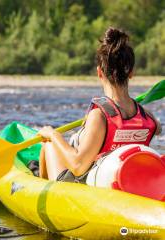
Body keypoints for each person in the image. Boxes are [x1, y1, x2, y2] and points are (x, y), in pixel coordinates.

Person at [38, 27, 161, 183]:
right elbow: (158, 128)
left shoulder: (100, 115)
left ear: (99, 72)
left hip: (84, 184)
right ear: (131, 73)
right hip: (122, 180)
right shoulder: (146, 116)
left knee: (48, 142)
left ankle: (38, 184)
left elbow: (78, 166)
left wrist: (53, 135)